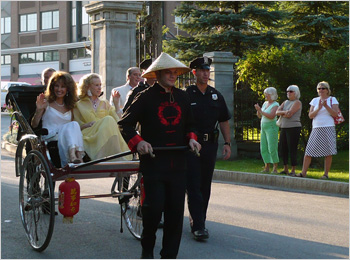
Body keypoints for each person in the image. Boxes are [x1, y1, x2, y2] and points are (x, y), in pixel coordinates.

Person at [118, 52, 201, 259]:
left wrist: (192, 138)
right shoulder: (145, 97)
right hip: (154, 164)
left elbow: (191, 124)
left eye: (175, 72)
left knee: (174, 216)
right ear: (158, 73)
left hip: (179, 164)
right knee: (153, 212)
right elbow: (125, 124)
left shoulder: (183, 96)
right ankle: (147, 251)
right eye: (168, 72)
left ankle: (169, 256)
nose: (173, 76)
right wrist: (139, 142)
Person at [186, 56, 231, 241]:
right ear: (194, 73)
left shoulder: (215, 95)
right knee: (194, 184)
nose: (206, 74)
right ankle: (198, 225)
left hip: (210, 145)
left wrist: (227, 143)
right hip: (191, 147)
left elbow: (223, 120)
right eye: (202, 71)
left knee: (205, 184)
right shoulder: (187, 94)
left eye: (207, 71)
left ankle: (199, 219)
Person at [73, 73, 131, 161]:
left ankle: (112, 157)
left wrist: (116, 104)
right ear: (87, 87)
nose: (100, 87)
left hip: (105, 134)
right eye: (96, 85)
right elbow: (76, 126)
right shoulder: (79, 105)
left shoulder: (105, 103)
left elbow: (118, 121)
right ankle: (103, 157)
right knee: (108, 120)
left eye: (100, 85)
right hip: (89, 134)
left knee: (109, 120)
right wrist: (86, 125)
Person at [31, 71, 84, 166]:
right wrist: (39, 110)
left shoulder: (70, 106)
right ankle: (73, 156)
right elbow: (34, 125)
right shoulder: (46, 103)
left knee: (74, 124)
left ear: (68, 89)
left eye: (63, 86)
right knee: (73, 125)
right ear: (52, 87)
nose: (59, 89)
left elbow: (72, 129)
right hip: (50, 137)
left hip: (66, 138)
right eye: (57, 86)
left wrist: (87, 126)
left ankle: (77, 156)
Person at [297, 81, 339, 179]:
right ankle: (303, 173)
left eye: (323, 88)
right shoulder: (315, 100)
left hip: (328, 127)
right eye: (319, 88)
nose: (321, 90)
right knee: (309, 151)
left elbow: (335, 114)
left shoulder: (332, 99)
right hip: (316, 128)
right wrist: (319, 108)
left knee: (328, 152)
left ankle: (326, 174)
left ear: (327, 90)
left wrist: (326, 106)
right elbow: (310, 115)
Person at [276, 85, 302, 176]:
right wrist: (284, 112)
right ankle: (285, 168)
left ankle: (293, 169)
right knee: (283, 148)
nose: (288, 93)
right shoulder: (285, 102)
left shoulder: (297, 102)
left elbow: (290, 114)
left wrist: (283, 112)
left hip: (294, 127)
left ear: (296, 92)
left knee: (292, 148)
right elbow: (277, 112)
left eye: (291, 91)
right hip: (284, 126)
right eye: (287, 91)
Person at [254, 87, 279, 173]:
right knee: (263, 147)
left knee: (272, 147)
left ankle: (275, 167)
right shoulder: (265, 103)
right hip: (263, 127)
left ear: (272, 95)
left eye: (267, 94)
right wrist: (258, 111)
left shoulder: (275, 105)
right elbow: (260, 116)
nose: (265, 96)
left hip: (271, 127)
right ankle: (266, 166)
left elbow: (271, 116)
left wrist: (260, 110)